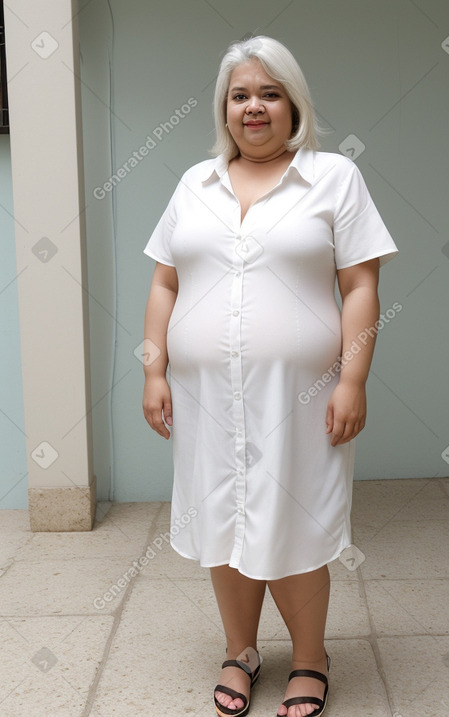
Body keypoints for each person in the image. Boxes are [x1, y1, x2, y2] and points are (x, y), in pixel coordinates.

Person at [142, 35, 398, 717]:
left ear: (293, 104)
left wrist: (353, 379)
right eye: (240, 94)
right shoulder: (193, 185)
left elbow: (362, 285)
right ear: (224, 109)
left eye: (269, 92)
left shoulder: (334, 178)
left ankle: (310, 658)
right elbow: (165, 283)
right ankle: (240, 649)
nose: (254, 106)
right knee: (221, 518)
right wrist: (154, 368)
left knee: (296, 521)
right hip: (203, 397)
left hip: (302, 397)